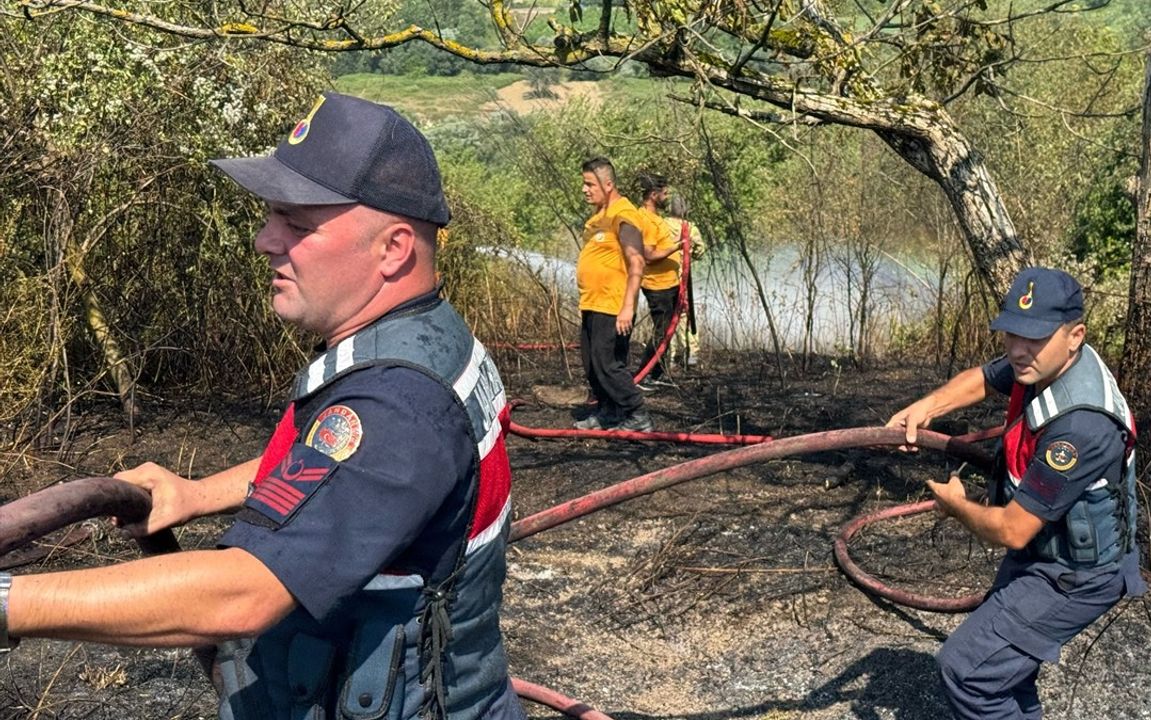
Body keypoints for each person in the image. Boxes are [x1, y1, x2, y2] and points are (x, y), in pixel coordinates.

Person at [1, 93, 526, 720]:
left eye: (297, 225)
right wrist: (196, 494)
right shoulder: (424, 335)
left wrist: (12, 602)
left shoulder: (400, 400)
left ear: (393, 248)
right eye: (271, 217)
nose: (263, 241)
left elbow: (244, 596)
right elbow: (336, 467)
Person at [887, 267, 1146, 720]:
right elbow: (987, 377)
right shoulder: (1044, 361)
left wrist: (955, 505)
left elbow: (1011, 529)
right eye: (1011, 334)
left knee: (967, 671)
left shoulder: (1079, 428)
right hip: (1048, 550)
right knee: (1004, 670)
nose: (1017, 350)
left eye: (1034, 338)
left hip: (1075, 576)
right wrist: (926, 407)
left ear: (1075, 335)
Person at [574, 157, 654, 432]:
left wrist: (628, 307)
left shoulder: (624, 214)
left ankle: (636, 413)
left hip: (612, 303)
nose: (584, 189)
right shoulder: (599, 218)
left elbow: (638, 261)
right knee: (592, 364)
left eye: (589, 184)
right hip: (592, 302)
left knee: (607, 364)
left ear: (608, 184)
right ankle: (609, 412)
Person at [634, 174, 682, 389]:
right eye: (665, 193)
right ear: (653, 195)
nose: (667, 197)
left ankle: (657, 374)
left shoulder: (656, 218)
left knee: (668, 331)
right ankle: (643, 375)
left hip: (669, 283)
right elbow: (649, 255)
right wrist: (677, 246)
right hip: (657, 286)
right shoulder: (644, 220)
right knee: (662, 331)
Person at [662, 192, 705, 368]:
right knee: (686, 316)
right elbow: (700, 250)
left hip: (664, 277)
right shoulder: (690, 228)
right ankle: (692, 353)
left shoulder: (661, 224)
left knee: (667, 316)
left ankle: (670, 356)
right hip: (683, 279)